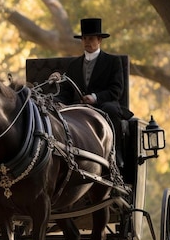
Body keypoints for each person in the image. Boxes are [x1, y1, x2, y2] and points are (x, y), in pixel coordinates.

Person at [49, 18, 131, 167]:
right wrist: (55, 100)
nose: (87, 41)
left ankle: (115, 151)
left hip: (104, 105)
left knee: (110, 109)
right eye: (84, 38)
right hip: (79, 108)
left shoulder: (113, 62)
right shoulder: (74, 65)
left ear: (99, 40)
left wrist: (95, 98)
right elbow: (67, 92)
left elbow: (116, 90)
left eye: (91, 38)